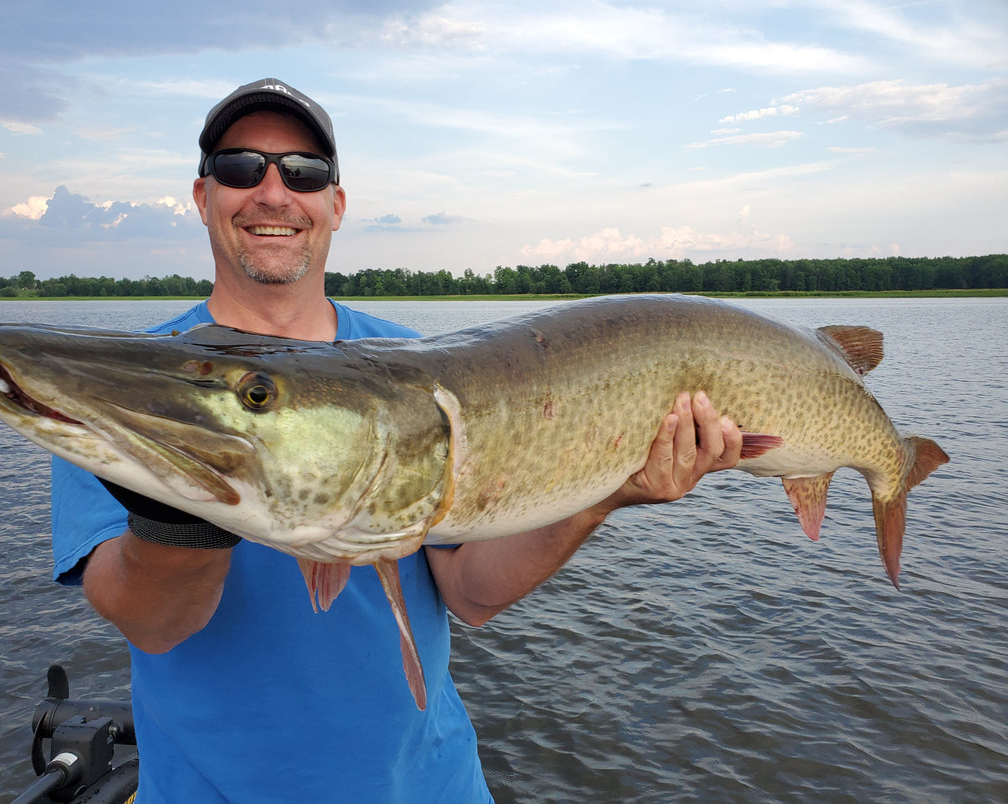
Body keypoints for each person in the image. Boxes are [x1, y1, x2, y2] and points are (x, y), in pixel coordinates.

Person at [51, 78, 742, 803]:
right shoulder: (125, 397)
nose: (273, 192)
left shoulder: (412, 364)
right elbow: (155, 624)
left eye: (305, 172)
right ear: (202, 197)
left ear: (336, 206)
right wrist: (179, 503)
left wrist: (605, 492)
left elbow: (470, 594)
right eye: (240, 167)